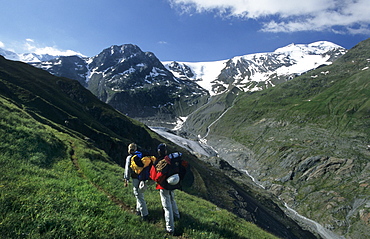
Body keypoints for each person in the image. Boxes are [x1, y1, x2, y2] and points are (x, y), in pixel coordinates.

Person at [150, 143, 184, 235]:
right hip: (172, 184)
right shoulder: (171, 159)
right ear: (165, 151)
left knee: (167, 207)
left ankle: (170, 229)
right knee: (172, 199)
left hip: (163, 186)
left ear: (158, 152)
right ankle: (177, 216)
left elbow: (154, 176)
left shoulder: (158, 161)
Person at [124, 143, 149, 221]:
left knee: (138, 195)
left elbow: (127, 169)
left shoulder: (129, 157)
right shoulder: (140, 156)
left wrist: (126, 179)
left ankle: (144, 214)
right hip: (142, 178)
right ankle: (138, 210)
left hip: (135, 178)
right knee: (140, 194)